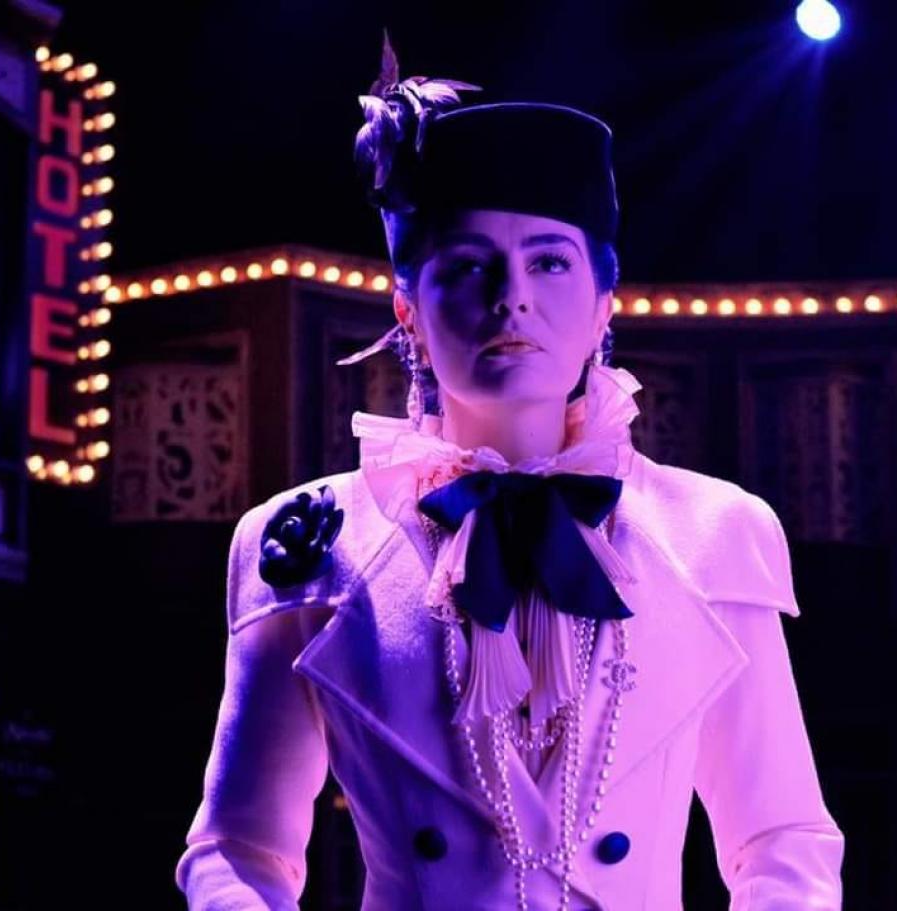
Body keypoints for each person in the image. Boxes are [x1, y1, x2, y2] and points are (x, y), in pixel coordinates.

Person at [174, 32, 845, 911]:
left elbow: (783, 841)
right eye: (467, 265)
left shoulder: (714, 532)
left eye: (550, 260)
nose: (511, 296)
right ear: (408, 312)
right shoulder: (316, 546)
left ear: (603, 305)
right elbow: (238, 852)